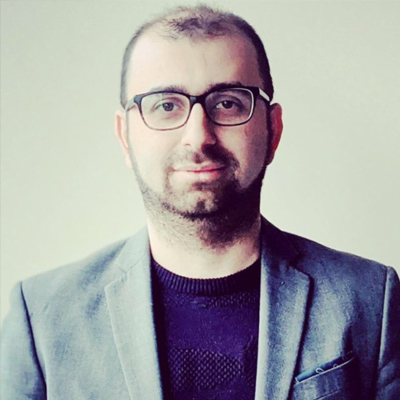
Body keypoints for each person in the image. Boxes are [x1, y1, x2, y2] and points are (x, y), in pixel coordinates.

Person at [1, 5, 399, 400]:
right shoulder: (42, 318)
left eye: (228, 103)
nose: (198, 137)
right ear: (125, 137)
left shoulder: (370, 299)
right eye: (166, 105)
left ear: (272, 130)